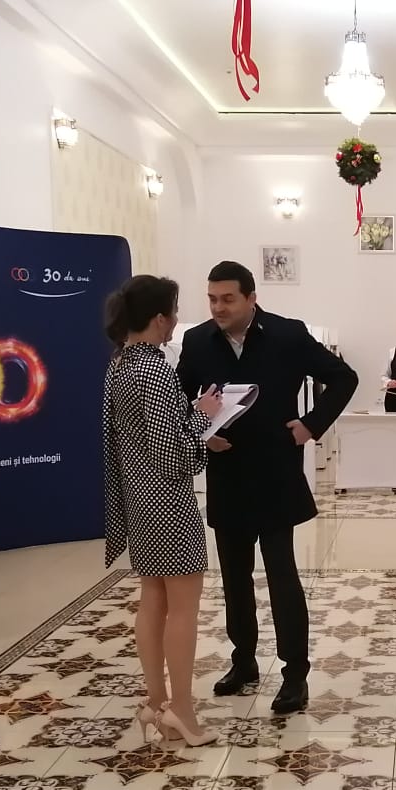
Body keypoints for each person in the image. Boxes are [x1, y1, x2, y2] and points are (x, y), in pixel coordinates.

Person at [176, 261, 358, 714]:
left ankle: (295, 674)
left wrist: (311, 425)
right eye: (212, 299)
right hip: (226, 475)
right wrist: (200, 431)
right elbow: (177, 400)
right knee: (234, 579)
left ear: (251, 298)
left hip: (276, 473)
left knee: (282, 577)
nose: (218, 307)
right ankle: (243, 663)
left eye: (228, 299)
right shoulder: (198, 341)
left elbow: (344, 377)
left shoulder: (287, 335)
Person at [102, 275, 223, 747]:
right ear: (158, 318)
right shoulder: (154, 369)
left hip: (137, 497)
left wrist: (189, 416)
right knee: (184, 609)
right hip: (167, 502)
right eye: (173, 313)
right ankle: (183, 711)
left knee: (152, 600)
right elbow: (174, 452)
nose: (175, 322)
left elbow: (144, 433)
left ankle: (155, 702)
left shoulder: (119, 363)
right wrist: (204, 415)